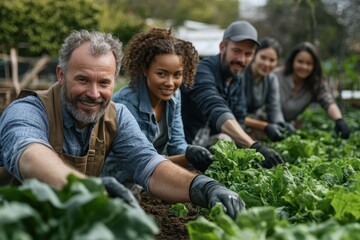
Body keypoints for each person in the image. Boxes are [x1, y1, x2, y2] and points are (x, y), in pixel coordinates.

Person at [0, 30, 244, 219]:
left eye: (104, 83)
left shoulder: (117, 116)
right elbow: (30, 154)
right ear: (61, 75)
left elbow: (149, 164)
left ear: (114, 81)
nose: (94, 93)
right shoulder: (28, 110)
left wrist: (202, 187)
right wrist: (86, 189)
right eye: (82, 79)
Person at [181, 20, 284, 169]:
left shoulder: (236, 78)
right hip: (184, 147)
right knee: (225, 140)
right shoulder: (202, 71)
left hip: (206, 144)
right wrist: (255, 147)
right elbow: (216, 109)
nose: (241, 60)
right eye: (236, 51)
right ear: (223, 47)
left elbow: (239, 118)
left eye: (248, 54)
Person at [110, 28, 213, 174]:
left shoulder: (174, 96)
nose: (170, 83)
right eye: (161, 74)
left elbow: (177, 143)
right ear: (145, 70)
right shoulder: (126, 103)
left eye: (177, 75)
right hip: (119, 179)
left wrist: (193, 152)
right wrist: (187, 158)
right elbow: (140, 160)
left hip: (150, 176)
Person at [274, 42, 350, 139]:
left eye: (309, 63)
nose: (304, 67)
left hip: (284, 130)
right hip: (262, 125)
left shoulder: (315, 83)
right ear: (293, 61)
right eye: (300, 62)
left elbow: (328, 100)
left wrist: (339, 120)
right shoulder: (276, 76)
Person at [243, 37, 295, 142]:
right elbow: (235, 114)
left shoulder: (271, 79)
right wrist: (265, 126)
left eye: (272, 60)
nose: (267, 64)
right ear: (254, 55)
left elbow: (274, 107)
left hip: (250, 123)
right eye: (263, 57)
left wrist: (280, 123)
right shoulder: (241, 74)